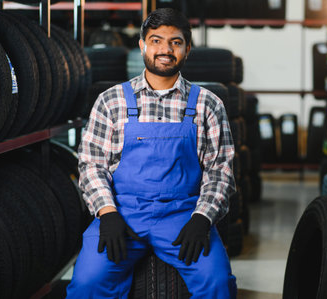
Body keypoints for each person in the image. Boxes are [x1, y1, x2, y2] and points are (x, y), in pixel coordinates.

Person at [66, 7, 237, 299]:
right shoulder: (112, 100)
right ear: (142, 45)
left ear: (188, 49)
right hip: (123, 212)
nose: (165, 50)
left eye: (175, 42)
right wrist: (107, 213)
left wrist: (202, 218)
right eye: (156, 40)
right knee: (87, 284)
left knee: (218, 283)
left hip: (183, 214)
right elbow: (92, 165)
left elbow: (220, 170)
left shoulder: (208, 104)